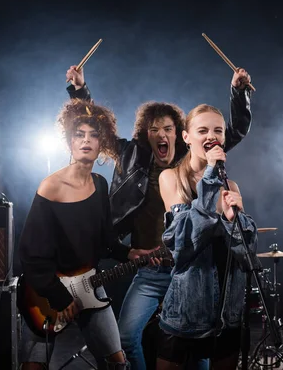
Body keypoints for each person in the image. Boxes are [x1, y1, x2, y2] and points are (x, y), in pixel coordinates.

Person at [64, 66, 253, 370]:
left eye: (167, 128)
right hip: (150, 269)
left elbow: (231, 132)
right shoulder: (131, 156)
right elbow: (101, 129)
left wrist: (239, 92)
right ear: (145, 134)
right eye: (154, 129)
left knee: (197, 349)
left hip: (189, 268)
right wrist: (79, 91)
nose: (160, 134)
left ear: (180, 133)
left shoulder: (191, 158)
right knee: (126, 339)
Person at [18, 98, 157, 370]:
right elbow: (30, 254)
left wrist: (128, 253)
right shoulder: (51, 187)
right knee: (34, 366)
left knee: (118, 363)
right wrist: (59, 296)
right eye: (79, 135)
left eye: (94, 136)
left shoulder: (99, 183)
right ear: (70, 142)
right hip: (46, 292)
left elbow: (105, 240)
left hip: (90, 285)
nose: (86, 141)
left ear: (101, 143)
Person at [156, 104, 259, 369]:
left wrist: (233, 220)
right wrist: (211, 173)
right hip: (187, 313)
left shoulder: (231, 186)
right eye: (202, 130)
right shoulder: (171, 178)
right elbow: (185, 242)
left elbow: (246, 254)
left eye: (217, 130)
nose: (211, 136)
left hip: (229, 313)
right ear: (186, 137)